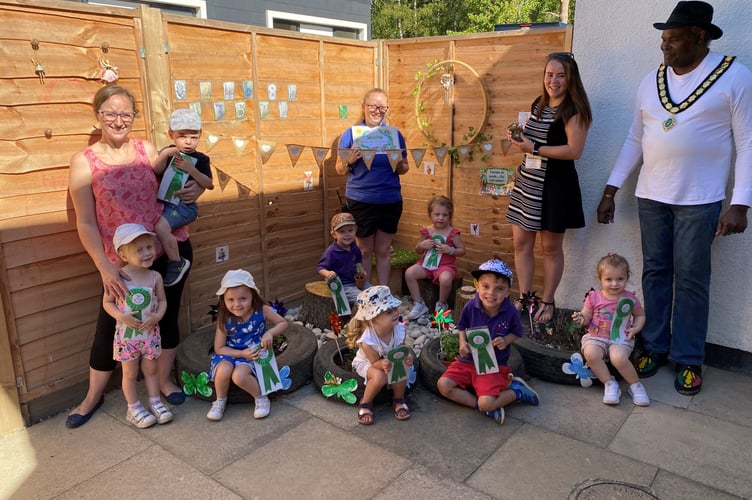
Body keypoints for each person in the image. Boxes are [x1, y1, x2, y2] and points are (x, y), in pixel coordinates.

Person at [596, 1, 752, 395]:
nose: (664, 47)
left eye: (673, 39)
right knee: (655, 272)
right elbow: (636, 138)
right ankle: (654, 347)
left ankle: (688, 358)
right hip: (651, 197)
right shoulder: (651, 81)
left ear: (699, 37)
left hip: (700, 201)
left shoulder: (735, 77)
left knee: (693, 279)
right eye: (663, 39)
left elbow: (748, 142)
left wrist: (741, 202)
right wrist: (612, 187)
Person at [66, 85, 204, 429]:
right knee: (108, 328)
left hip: (167, 247)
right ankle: (92, 397)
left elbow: (176, 181)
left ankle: (165, 382)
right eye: (110, 113)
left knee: (165, 316)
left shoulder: (145, 149)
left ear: (134, 117)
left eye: (125, 113)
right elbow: (84, 221)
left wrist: (196, 188)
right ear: (97, 115)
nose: (118, 120)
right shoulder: (85, 161)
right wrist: (104, 267)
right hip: (121, 264)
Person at [506, 52, 592, 325]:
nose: (553, 81)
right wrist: (519, 137)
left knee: (550, 249)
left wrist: (534, 147)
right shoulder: (538, 104)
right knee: (521, 243)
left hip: (554, 188)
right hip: (528, 183)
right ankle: (525, 297)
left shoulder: (574, 110)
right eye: (549, 74)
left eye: (560, 75)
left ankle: (548, 300)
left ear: (571, 79)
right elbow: (533, 140)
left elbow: (574, 150)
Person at [437, 259, 540, 425]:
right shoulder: (471, 306)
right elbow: (462, 326)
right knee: (443, 385)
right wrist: (463, 343)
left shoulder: (510, 312)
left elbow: (517, 332)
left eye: (499, 289)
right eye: (486, 286)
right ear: (477, 287)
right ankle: (481, 407)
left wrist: (506, 340)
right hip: (467, 361)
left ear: (508, 292)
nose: (491, 293)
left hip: (493, 365)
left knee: (486, 402)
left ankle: (517, 392)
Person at [335, 88, 409, 289]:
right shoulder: (351, 135)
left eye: (382, 106)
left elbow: (404, 168)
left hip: (390, 200)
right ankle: (366, 293)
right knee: (365, 251)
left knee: (384, 250)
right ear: (364, 107)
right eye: (373, 106)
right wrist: (349, 160)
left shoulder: (394, 135)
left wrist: (399, 162)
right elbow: (340, 169)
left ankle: (384, 292)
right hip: (361, 200)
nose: (378, 110)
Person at [104, 224, 172, 428]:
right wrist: (121, 316)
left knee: (151, 370)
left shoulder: (155, 277)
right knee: (130, 373)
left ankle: (155, 402)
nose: (147, 253)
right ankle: (133, 408)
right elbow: (107, 303)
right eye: (139, 250)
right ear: (123, 255)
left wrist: (158, 316)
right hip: (127, 338)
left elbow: (162, 301)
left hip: (150, 335)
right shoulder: (116, 278)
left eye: (149, 247)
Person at [207, 269, 288, 421]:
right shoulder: (224, 318)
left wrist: (269, 333)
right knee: (223, 371)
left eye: (243, 298)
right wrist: (240, 354)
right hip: (230, 353)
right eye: (230, 300)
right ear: (223, 299)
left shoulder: (261, 310)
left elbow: (283, 323)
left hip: (252, 354)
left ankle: (261, 398)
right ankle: (220, 401)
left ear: (252, 296)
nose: (237, 304)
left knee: (239, 376)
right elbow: (219, 348)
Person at [572, 254, 649, 406]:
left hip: (619, 337)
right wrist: (581, 318)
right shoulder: (594, 297)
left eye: (620, 279)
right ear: (600, 279)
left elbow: (640, 315)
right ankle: (609, 383)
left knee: (618, 358)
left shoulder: (630, 299)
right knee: (590, 353)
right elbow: (586, 315)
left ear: (627, 278)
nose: (615, 284)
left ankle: (636, 385)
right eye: (609, 279)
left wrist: (636, 328)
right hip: (596, 336)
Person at [153, 109, 214, 287]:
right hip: (167, 205)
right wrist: (165, 154)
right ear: (171, 134)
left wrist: (192, 170)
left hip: (184, 207)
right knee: (158, 227)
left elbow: (208, 183)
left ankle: (176, 262)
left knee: (160, 228)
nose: (188, 141)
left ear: (200, 135)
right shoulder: (168, 152)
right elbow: (156, 170)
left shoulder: (201, 158)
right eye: (182, 136)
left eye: (194, 137)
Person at [345, 286, 414, 425]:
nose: (395, 313)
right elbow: (375, 361)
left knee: (401, 369)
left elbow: (400, 349)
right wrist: (383, 364)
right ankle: (366, 403)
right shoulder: (367, 340)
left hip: (389, 361)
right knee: (379, 376)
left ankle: (398, 399)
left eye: (394, 309)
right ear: (374, 319)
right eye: (389, 312)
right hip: (369, 363)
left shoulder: (399, 329)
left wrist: (407, 358)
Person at [405, 196, 465, 319]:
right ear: (430, 215)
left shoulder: (453, 234)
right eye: (437, 214)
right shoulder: (426, 231)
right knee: (409, 273)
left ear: (450, 216)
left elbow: (462, 251)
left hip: (445, 266)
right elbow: (418, 250)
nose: (441, 218)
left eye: (445, 215)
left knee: (446, 279)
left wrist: (451, 250)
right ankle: (419, 303)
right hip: (426, 265)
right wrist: (422, 245)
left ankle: (441, 303)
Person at [317, 212, 368, 305]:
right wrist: (327, 273)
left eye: (350, 230)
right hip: (343, 285)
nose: (347, 234)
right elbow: (320, 268)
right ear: (334, 234)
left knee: (375, 292)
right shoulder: (331, 252)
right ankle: (355, 318)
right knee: (362, 299)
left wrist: (361, 270)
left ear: (355, 231)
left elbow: (358, 261)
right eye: (342, 232)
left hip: (356, 280)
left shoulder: (354, 247)